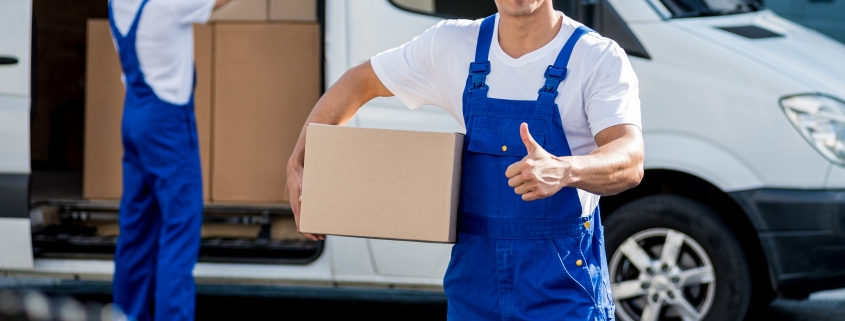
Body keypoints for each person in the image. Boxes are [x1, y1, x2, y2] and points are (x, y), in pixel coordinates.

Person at [287, 0, 644, 319]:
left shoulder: (597, 57)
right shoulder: (452, 45)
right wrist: (301, 163)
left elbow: (629, 159)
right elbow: (359, 82)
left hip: (560, 290)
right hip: (474, 291)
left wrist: (565, 170)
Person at [108, 0, 230, 320]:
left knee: (136, 231)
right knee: (179, 231)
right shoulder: (169, 3)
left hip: (134, 114)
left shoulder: (117, 3)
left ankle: (127, 315)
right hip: (167, 125)